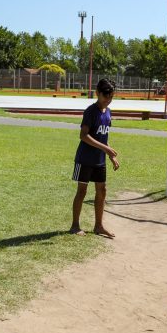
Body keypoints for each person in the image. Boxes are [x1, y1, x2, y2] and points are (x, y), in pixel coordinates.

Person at [69, 78, 120, 238]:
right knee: (82, 191)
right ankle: (75, 226)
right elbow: (83, 136)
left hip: (99, 160)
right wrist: (107, 149)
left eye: (111, 97)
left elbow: (103, 137)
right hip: (85, 159)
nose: (108, 100)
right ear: (97, 93)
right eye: (106, 97)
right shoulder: (90, 111)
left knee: (102, 190)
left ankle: (99, 226)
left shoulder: (108, 112)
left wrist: (110, 155)